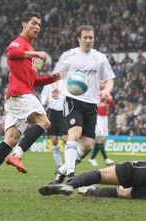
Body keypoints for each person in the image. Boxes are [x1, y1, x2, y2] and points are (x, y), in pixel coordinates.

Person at [0, 12, 61, 192]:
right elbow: (11, 52)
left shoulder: (29, 52)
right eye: (34, 23)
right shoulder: (19, 44)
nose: (37, 27)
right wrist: (35, 53)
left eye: (39, 24)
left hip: (20, 96)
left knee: (11, 139)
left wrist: (52, 78)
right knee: (44, 122)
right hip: (19, 95)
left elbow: (33, 81)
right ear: (24, 24)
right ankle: (17, 156)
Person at [48, 25, 115, 184]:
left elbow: (110, 80)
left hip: (91, 104)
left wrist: (106, 91)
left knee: (87, 145)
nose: (88, 40)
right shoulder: (69, 55)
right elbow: (56, 76)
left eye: (90, 37)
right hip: (72, 100)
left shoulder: (99, 58)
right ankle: (71, 173)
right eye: (85, 37)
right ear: (79, 38)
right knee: (75, 134)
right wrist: (56, 88)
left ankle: (62, 170)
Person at [40, 80, 67, 170]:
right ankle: (59, 165)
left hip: (63, 112)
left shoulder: (65, 82)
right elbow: (43, 99)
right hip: (51, 112)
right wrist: (46, 100)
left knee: (65, 138)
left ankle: (69, 163)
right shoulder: (48, 85)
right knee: (54, 139)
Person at [88, 94, 115, 166]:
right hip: (98, 118)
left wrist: (110, 100)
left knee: (101, 140)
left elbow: (113, 107)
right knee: (100, 138)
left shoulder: (106, 94)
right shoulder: (95, 93)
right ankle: (106, 159)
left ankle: (92, 158)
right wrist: (101, 97)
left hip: (104, 118)